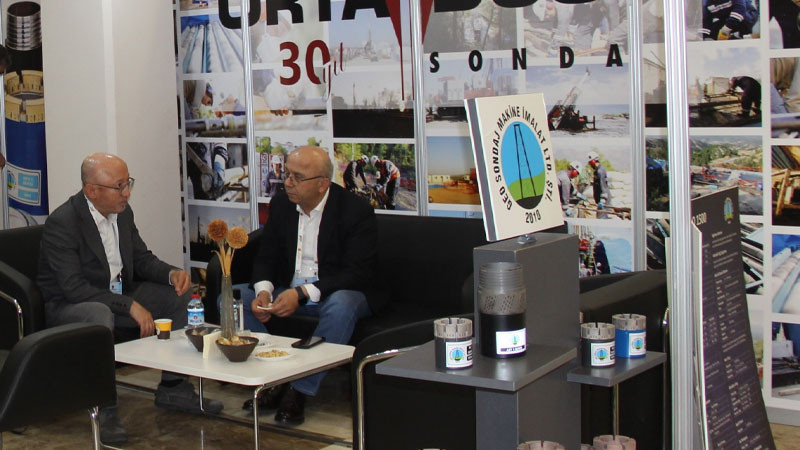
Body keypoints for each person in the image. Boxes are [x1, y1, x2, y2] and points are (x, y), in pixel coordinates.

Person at [37, 153, 223, 444]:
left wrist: (171, 273)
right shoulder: (63, 223)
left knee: (181, 295)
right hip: (71, 306)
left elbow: (141, 259)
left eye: (128, 183)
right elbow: (74, 288)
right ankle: (105, 407)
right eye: (119, 186)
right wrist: (129, 305)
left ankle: (174, 388)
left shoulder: (123, 213)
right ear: (92, 191)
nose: (127, 193)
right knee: (99, 314)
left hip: (118, 293)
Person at [234, 146, 379, 425]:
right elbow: (267, 256)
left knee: (341, 305)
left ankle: (299, 389)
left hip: (338, 291)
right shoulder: (282, 204)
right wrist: (263, 290)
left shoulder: (355, 210)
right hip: (288, 289)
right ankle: (273, 379)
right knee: (234, 299)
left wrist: (301, 294)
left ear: (322, 183)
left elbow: (357, 272)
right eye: (287, 174)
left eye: (297, 177)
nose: (288, 183)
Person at [587, 151, 611, 218]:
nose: (590, 165)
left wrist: (603, 200)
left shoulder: (600, 171)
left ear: (594, 161)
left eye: (590, 163)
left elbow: (603, 186)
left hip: (603, 200)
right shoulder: (597, 171)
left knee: (602, 218)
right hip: (600, 199)